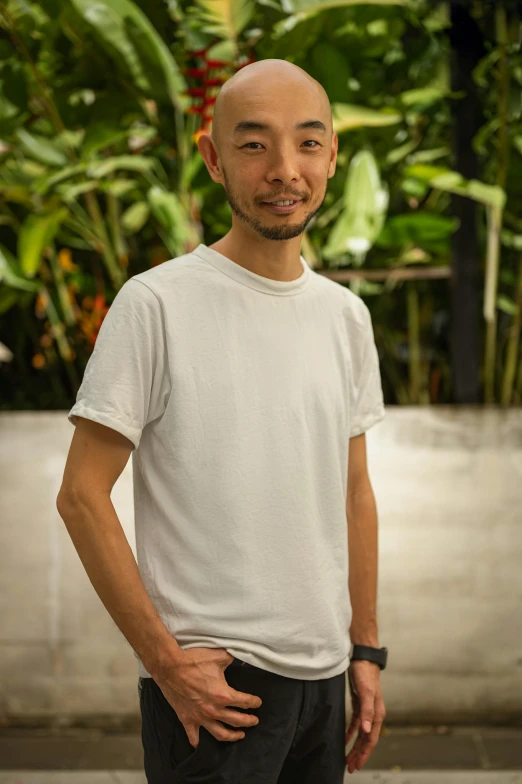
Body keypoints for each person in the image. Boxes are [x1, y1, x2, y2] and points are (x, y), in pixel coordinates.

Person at [57, 58, 387, 783]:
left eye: (306, 142)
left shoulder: (345, 316)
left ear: (332, 155)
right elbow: (81, 495)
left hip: (325, 680)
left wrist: (365, 652)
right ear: (212, 157)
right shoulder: (156, 305)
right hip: (216, 686)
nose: (283, 169)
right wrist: (165, 664)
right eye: (252, 143)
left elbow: (353, 490)